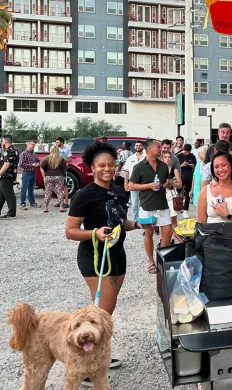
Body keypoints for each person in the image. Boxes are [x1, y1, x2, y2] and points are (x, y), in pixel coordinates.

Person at [65, 142, 142, 380]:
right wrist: (95, 233)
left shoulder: (118, 191)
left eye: (111, 164)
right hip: (95, 257)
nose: (107, 169)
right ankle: (85, 368)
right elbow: (70, 231)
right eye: (101, 165)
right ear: (92, 167)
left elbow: (120, 222)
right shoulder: (84, 195)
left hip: (117, 256)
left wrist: (138, 224)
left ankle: (98, 358)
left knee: (106, 313)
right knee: (101, 314)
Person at [129, 139, 174, 274]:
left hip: (162, 204)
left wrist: (168, 184)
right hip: (147, 206)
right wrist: (148, 185)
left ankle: (162, 258)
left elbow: (168, 182)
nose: (161, 149)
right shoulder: (139, 167)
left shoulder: (163, 166)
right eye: (158, 147)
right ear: (149, 149)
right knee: (148, 233)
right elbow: (131, 186)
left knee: (168, 232)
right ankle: (151, 261)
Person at [197, 151, 232, 223]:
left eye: (224, 165)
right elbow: (201, 222)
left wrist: (228, 215)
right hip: (212, 233)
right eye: (216, 167)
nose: (220, 169)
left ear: (231, 167)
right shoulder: (206, 190)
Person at [122, 141, 146, 221]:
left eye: (140, 145)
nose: (138, 146)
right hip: (133, 182)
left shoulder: (147, 157)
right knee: (134, 203)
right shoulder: (130, 158)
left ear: (143, 147)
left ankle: (145, 217)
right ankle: (136, 220)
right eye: (136, 145)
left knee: (145, 202)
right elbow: (126, 171)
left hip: (145, 183)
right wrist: (126, 183)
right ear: (134, 147)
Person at [40, 145, 67, 213]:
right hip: (59, 177)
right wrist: (63, 177)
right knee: (60, 192)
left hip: (49, 177)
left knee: (48, 192)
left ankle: (46, 208)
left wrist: (44, 176)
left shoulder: (46, 158)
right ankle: (61, 207)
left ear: (51, 150)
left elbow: (42, 167)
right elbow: (64, 170)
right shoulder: (61, 159)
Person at [161, 150, 183, 227]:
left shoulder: (175, 170)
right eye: (165, 157)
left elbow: (180, 184)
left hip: (171, 194)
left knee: (173, 217)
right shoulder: (158, 170)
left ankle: (173, 236)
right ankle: (162, 238)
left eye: (169, 157)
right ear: (162, 159)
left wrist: (172, 184)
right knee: (162, 219)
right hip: (161, 195)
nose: (168, 159)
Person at [0, 135, 20, 220]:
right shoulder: (15, 150)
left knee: (9, 194)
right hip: (11, 175)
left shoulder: (8, 151)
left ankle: (12, 213)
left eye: (2, 141)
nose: (2, 142)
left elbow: (6, 164)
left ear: (5, 141)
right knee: (2, 194)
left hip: (6, 176)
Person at [18, 140, 41, 209]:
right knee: (24, 188)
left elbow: (37, 160)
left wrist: (38, 164)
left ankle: (32, 202)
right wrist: (31, 165)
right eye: (32, 144)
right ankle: (23, 203)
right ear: (28, 145)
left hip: (33, 173)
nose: (34, 146)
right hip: (26, 173)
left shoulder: (34, 154)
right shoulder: (23, 154)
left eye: (34, 144)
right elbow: (21, 164)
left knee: (31, 188)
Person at [177, 144, 197, 219]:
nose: (187, 153)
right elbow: (175, 167)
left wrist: (192, 166)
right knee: (176, 193)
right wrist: (182, 165)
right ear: (183, 149)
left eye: (188, 152)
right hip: (180, 177)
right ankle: (177, 206)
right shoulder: (179, 156)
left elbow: (195, 166)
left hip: (189, 177)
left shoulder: (192, 156)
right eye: (185, 152)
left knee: (188, 194)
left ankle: (186, 210)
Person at [55, 137, 71, 208]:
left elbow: (70, 159)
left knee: (64, 185)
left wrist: (63, 159)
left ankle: (66, 202)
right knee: (58, 186)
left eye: (57, 142)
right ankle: (59, 201)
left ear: (61, 142)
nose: (56, 143)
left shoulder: (67, 149)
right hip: (56, 169)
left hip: (63, 169)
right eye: (56, 142)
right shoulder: (55, 149)